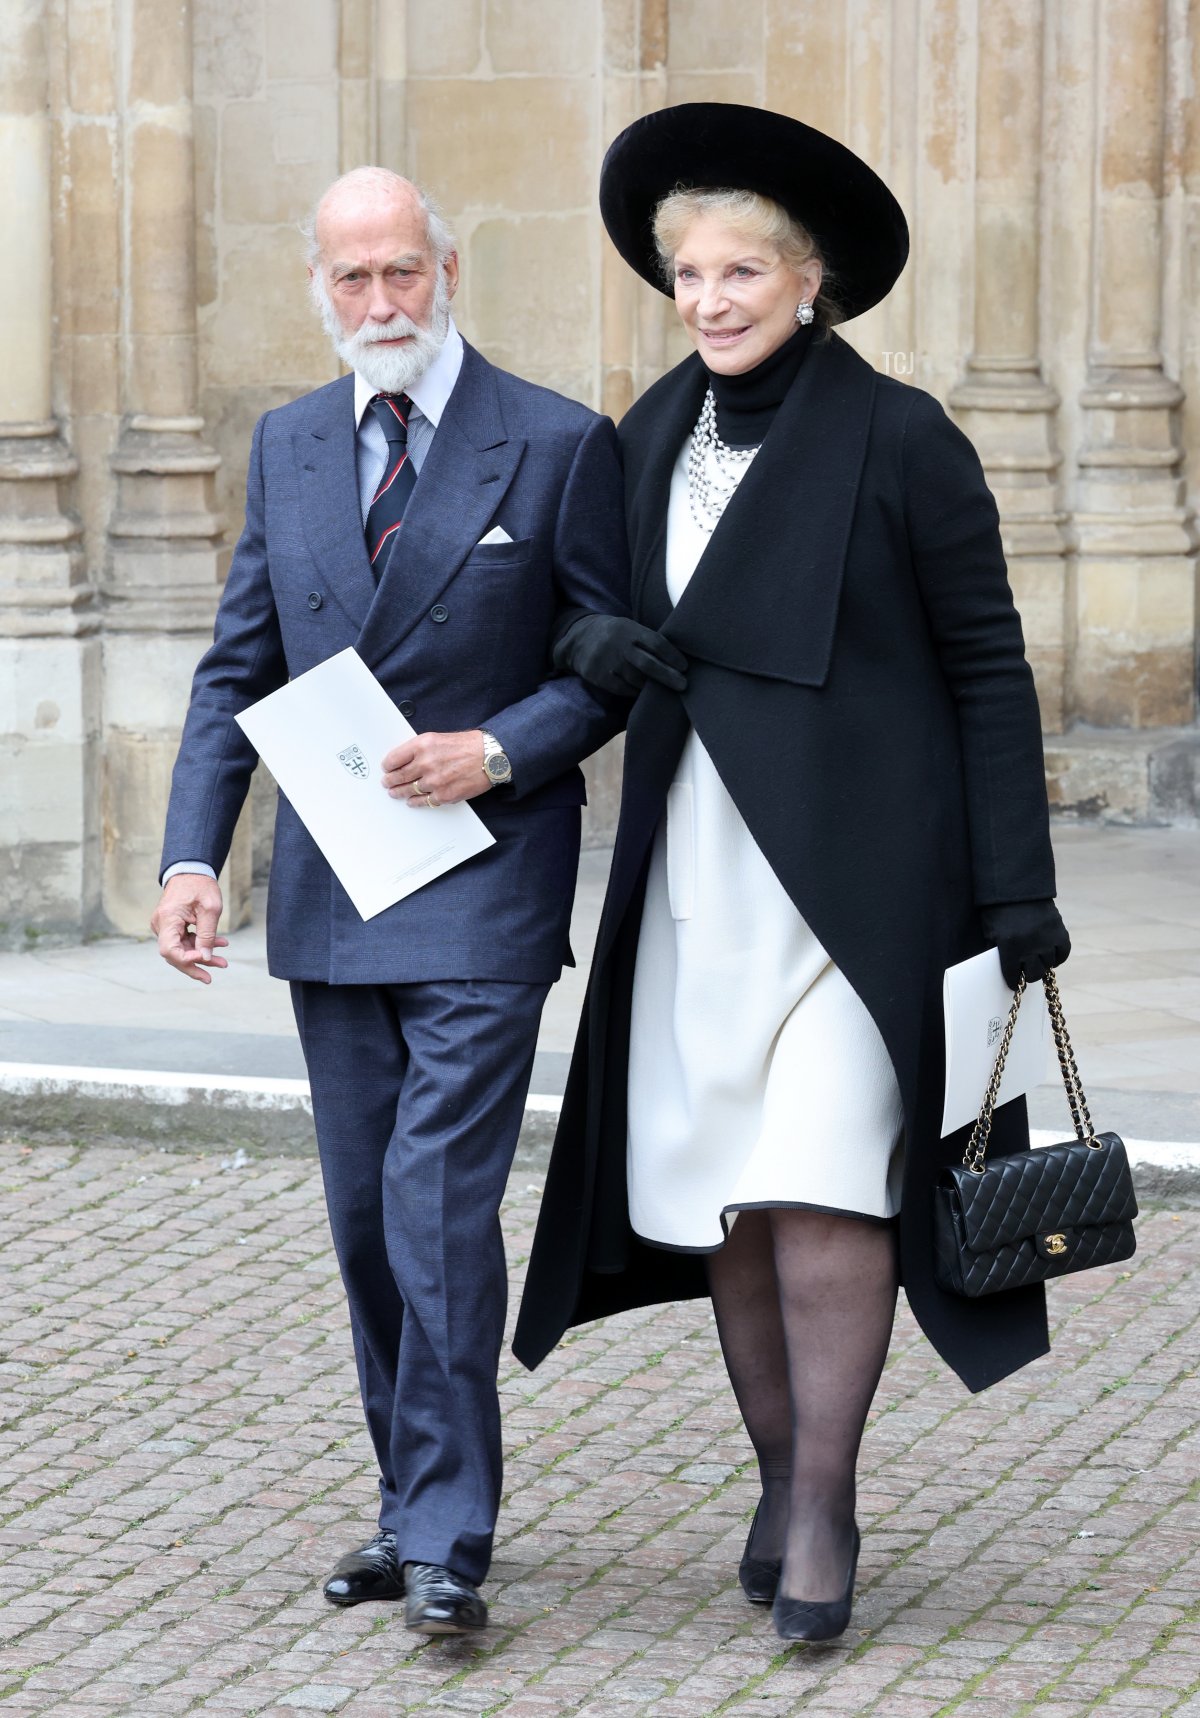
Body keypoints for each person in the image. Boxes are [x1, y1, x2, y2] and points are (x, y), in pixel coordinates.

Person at [513, 104, 1071, 1644]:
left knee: (826, 1179)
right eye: (687, 272)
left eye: (741, 269)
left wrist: (1016, 889)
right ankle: (776, 1470)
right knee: (730, 1205)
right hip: (697, 880)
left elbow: (988, 665)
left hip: (866, 889)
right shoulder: (642, 438)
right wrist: (591, 641)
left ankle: (824, 1495)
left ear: (809, 280)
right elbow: (580, 614)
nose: (710, 298)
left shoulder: (904, 438)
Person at [151, 166, 630, 1634]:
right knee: (367, 1215)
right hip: (332, 891)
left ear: (450, 269)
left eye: (400, 275)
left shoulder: (556, 441)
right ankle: (408, 1496)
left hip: (484, 882)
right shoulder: (290, 444)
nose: (379, 304)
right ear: (320, 285)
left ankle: (446, 1528)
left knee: (435, 1201)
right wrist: (189, 856)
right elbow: (238, 668)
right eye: (352, 279)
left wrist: (496, 749)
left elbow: (611, 658)